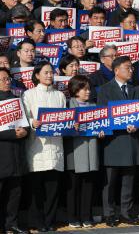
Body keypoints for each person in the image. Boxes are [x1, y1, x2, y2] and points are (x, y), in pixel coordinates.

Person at [97, 56, 139, 227]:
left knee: (129, 180)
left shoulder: (137, 89)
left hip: (132, 140)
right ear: (116, 70)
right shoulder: (104, 90)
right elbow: (102, 115)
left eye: (132, 68)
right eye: (127, 68)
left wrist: (137, 126)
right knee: (110, 182)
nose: (131, 70)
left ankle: (126, 212)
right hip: (113, 142)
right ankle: (109, 213)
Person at [23, 62, 66, 232]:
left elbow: (64, 119)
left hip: (55, 146)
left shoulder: (60, 95)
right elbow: (24, 117)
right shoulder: (28, 94)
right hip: (37, 147)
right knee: (36, 189)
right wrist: (32, 122)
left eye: (51, 73)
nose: (49, 75)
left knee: (52, 188)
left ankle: (49, 221)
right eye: (46, 72)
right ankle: (37, 221)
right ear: (37, 75)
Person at [65, 75, 102, 228]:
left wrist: (102, 131)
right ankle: (73, 217)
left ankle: (86, 216)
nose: (88, 92)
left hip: (90, 148)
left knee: (88, 184)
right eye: (84, 89)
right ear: (75, 90)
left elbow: (102, 124)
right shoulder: (68, 105)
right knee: (73, 186)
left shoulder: (94, 106)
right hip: (74, 150)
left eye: (89, 89)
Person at [0, 67, 29, 234]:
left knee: (15, 193)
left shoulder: (16, 99)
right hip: (2, 153)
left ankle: (12, 223)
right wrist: (13, 133)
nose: (7, 81)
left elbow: (25, 123)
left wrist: (25, 131)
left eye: (8, 79)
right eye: (3, 79)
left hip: (17, 154)